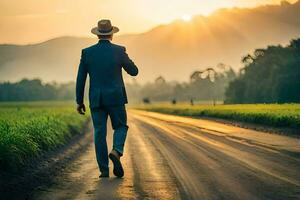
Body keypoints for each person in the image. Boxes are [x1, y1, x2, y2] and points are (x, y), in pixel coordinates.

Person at [75, 19, 139, 178]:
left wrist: (79, 101)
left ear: (97, 34)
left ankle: (104, 171)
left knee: (99, 133)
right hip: (116, 98)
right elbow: (134, 71)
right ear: (112, 34)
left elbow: (80, 78)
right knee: (121, 126)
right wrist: (125, 59)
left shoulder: (87, 52)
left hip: (96, 99)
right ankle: (116, 151)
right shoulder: (119, 51)